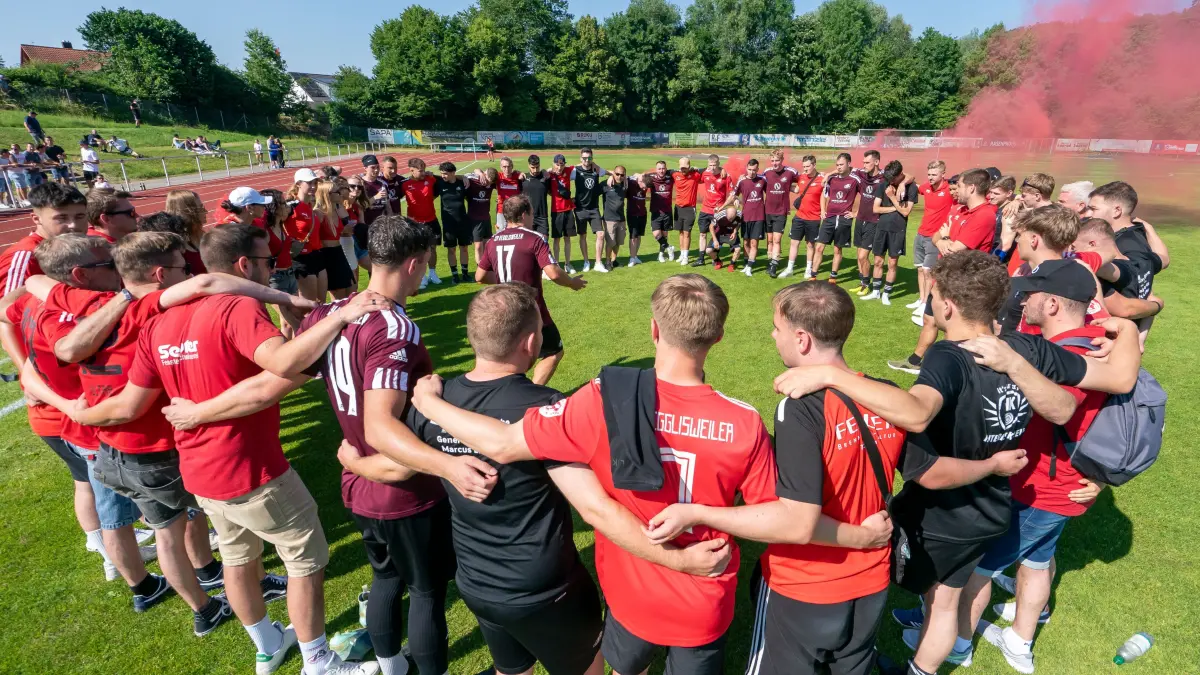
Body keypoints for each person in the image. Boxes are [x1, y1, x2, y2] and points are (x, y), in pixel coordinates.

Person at [773, 251, 1143, 675]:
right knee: (952, 598)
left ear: (946, 306)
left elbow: (917, 415)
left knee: (935, 599)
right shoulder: (1026, 347)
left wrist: (831, 375)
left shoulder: (948, 356)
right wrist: (1129, 329)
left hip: (944, 512)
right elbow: (1118, 379)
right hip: (992, 507)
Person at [411, 273, 778, 675]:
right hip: (704, 597)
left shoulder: (602, 398)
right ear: (718, 336)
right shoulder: (744, 423)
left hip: (630, 591)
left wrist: (430, 405)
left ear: (654, 329)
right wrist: (704, 517)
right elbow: (776, 518)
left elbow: (504, 443)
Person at [70, 223, 390, 674]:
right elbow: (282, 365)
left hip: (199, 469)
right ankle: (319, 661)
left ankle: (267, 646)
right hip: (251, 468)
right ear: (244, 265)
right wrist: (340, 317)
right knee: (305, 561)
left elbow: (130, 404)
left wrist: (78, 414)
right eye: (267, 262)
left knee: (238, 559)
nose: (271, 270)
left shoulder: (156, 324)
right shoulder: (237, 307)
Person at [159, 217, 473, 675]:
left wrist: (199, 412)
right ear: (415, 263)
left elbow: (270, 385)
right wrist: (449, 465)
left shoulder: (328, 316)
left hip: (357, 481)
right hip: (400, 484)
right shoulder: (394, 327)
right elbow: (381, 427)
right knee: (426, 591)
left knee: (386, 578)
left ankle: (392, 666)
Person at [22, 231, 311, 631]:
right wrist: (286, 299)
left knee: (156, 529)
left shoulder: (58, 306)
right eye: (182, 267)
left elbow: (34, 300)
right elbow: (206, 283)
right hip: (153, 446)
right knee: (195, 526)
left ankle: (198, 603)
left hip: (107, 447)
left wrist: (73, 409)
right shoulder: (142, 312)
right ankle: (229, 589)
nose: (189, 273)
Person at [645, 282, 903, 675]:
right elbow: (933, 473)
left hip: (805, 586)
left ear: (802, 340)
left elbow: (796, 522)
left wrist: (698, 513)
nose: (771, 334)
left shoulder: (800, 409)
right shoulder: (888, 396)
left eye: (777, 327)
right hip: (872, 582)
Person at [958, 259, 1110, 675]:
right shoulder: (1099, 340)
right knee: (1038, 563)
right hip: (1059, 484)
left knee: (979, 569)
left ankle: (956, 646)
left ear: (1054, 304)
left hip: (1042, 487)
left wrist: (1013, 364)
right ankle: (1019, 642)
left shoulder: (1077, 354)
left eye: (1032, 294)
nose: (1023, 301)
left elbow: (1061, 409)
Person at [5, 234, 163, 596]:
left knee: (115, 506)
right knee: (121, 514)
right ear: (80, 275)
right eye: (109, 264)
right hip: (96, 427)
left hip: (78, 423)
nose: (118, 270)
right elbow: (70, 349)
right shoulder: (75, 315)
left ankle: (142, 575)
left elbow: (8, 317)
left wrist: (36, 283)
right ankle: (143, 586)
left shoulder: (35, 302)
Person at [887, 169, 998, 376]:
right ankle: (914, 361)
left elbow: (955, 250)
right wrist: (943, 241)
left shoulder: (984, 215)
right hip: (943, 278)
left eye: (960, 186)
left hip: (961, 283)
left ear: (972, 188)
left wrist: (945, 240)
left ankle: (954, 370)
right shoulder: (960, 209)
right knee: (930, 320)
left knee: (954, 328)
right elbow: (936, 236)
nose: (955, 190)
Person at [478, 194, 586, 385]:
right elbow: (553, 273)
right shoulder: (534, 239)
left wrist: (504, 282)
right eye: (532, 213)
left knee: (511, 359)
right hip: (530, 309)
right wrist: (572, 283)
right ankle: (532, 391)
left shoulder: (493, 241)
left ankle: (508, 394)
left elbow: (480, 276)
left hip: (503, 309)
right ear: (524, 214)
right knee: (554, 352)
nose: (533, 217)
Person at [1072, 217, 1165, 343]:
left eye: (1073, 247)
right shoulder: (1143, 260)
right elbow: (1164, 258)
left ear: (1092, 244)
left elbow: (1125, 309)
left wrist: (1157, 306)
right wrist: (1149, 228)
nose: (1071, 251)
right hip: (1130, 343)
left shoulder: (1098, 276)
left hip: (1106, 344)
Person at [862, 160, 918, 306]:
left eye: (893, 179)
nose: (890, 182)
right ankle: (875, 292)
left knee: (892, 263)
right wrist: (895, 208)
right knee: (878, 261)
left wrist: (892, 197)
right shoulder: (883, 185)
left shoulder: (911, 188)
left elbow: (905, 212)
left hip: (898, 230)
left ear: (900, 175)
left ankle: (886, 294)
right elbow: (876, 209)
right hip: (881, 228)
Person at [912, 160, 954, 312]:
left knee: (928, 271)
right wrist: (904, 183)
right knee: (919, 269)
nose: (930, 177)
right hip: (921, 233)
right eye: (929, 174)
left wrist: (1015, 199)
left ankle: (926, 304)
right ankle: (921, 299)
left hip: (935, 237)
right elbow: (915, 185)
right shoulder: (926, 187)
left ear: (943, 174)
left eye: (934, 174)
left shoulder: (950, 189)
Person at [816, 153, 862, 284]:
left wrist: (856, 213)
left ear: (849, 164)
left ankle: (833, 277)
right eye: (837, 165)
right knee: (819, 247)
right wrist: (823, 210)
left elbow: (866, 197)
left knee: (837, 249)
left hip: (844, 219)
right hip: (829, 218)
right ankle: (813, 275)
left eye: (841, 164)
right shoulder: (832, 179)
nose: (839, 167)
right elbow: (824, 195)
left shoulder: (855, 179)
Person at [400, 158, 442, 290]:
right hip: (415, 223)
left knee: (433, 249)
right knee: (418, 251)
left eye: (424, 170)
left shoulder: (431, 179)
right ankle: (421, 276)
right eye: (420, 171)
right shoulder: (405, 184)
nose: (423, 173)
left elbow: (445, 179)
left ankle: (433, 274)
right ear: (411, 170)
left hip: (431, 220)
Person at [286, 168, 325, 307]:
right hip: (301, 259)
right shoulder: (290, 207)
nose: (313, 186)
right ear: (298, 184)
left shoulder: (311, 206)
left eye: (315, 183)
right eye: (309, 183)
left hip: (317, 255)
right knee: (310, 307)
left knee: (322, 303)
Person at [850, 150, 885, 295]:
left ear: (876, 162)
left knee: (863, 256)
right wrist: (828, 175)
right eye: (863, 162)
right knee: (859, 254)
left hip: (873, 221)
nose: (864, 165)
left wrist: (902, 185)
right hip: (860, 219)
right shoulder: (861, 173)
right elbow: (846, 168)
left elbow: (907, 176)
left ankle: (867, 285)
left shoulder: (884, 177)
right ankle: (862, 283)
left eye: (867, 162)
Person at [313, 179, 355, 300]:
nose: (340, 193)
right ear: (327, 195)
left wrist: (344, 230)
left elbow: (339, 229)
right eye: (337, 192)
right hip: (328, 255)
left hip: (339, 251)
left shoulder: (336, 209)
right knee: (338, 295)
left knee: (351, 290)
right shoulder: (319, 213)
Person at [569, 148, 607, 273]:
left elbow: (610, 173)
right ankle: (586, 261)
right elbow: (560, 174)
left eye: (589, 158)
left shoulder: (596, 169)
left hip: (594, 208)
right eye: (584, 158)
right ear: (581, 159)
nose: (587, 160)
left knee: (600, 234)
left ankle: (598, 263)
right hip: (580, 209)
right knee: (583, 235)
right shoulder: (575, 170)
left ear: (592, 158)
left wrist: (616, 176)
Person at [434, 161, 473, 282]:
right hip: (448, 223)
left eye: (445, 173)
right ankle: (455, 275)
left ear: (453, 173)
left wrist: (463, 177)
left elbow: (469, 198)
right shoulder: (440, 183)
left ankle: (465, 274)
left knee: (464, 248)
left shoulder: (462, 183)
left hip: (463, 222)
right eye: (441, 173)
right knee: (451, 249)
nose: (443, 176)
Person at [762, 149, 799, 278]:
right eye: (772, 160)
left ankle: (774, 266)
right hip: (767, 210)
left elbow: (803, 180)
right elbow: (757, 180)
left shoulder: (790, 172)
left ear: (782, 160)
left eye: (777, 160)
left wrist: (793, 188)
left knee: (777, 240)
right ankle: (771, 262)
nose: (774, 163)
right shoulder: (767, 172)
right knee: (770, 240)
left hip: (781, 212)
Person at [695, 154, 735, 267]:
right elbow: (697, 178)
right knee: (702, 234)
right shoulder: (705, 173)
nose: (712, 168)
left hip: (718, 211)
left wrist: (723, 206)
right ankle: (701, 258)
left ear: (718, 164)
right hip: (705, 209)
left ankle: (715, 257)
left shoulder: (725, 176)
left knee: (717, 235)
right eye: (710, 165)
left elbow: (732, 194)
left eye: (714, 165)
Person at [734, 159, 769, 276]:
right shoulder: (742, 181)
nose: (752, 172)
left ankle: (749, 267)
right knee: (746, 242)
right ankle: (746, 264)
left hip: (759, 217)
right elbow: (734, 194)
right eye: (749, 169)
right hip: (746, 216)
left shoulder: (762, 180)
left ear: (757, 169)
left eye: (754, 170)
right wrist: (736, 200)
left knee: (754, 243)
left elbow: (770, 193)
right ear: (746, 168)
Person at [162, 189, 210, 274]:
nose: (206, 211)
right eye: (201, 208)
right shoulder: (177, 249)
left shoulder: (203, 236)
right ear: (188, 213)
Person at [547, 154, 580, 272]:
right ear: (553, 163)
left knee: (567, 238)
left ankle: (568, 264)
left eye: (562, 164)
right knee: (557, 239)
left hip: (568, 210)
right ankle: (556, 264)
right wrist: (547, 170)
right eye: (557, 164)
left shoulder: (568, 170)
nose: (559, 167)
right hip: (556, 211)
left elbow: (581, 165)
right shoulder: (549, 175)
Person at [466, 167, 499, 274]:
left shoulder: (492, 183)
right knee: (478, 246)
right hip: (474, 219)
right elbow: (463, 176)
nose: (488, 184)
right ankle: (479, 269)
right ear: (484, 174)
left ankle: (486, 266)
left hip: (486, 218)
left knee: (487, 244)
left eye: (490, 183)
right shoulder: (473, 180)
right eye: (487, 181)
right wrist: (478, 172)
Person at [671, 157, 703, 266]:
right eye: (681, 168)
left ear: (689, 166)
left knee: (687, 233)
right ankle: (682, 254)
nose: (683, 170)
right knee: (680, 232)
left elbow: (708, 169)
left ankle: (686, 256)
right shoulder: (675, 174)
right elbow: (667, 171)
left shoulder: (695, 175)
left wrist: (696, 169)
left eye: (685, 168)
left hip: (689, 208)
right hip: (678, 208)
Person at [646, 160, 676, 263]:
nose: (661, 170)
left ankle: (661, 255)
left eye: (663, 168)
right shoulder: (651, 178)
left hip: (667, 211)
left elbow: (680, 173)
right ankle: (669, 248)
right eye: (659, 168)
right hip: (656, 211)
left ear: (666, 169)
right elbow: (639, 177)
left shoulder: (670, 177)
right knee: (656, 234)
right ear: (656, 169)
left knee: (664, 235)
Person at [599, 165, 629, 271]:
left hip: (621, 218)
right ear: (613, 173)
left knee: (618, 241)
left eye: (622, 175)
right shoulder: (605, 184)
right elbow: (592, 194)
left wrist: (626, 179)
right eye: (617, 174)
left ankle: (614, 260)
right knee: (610, 242)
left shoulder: (625, 184)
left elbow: (638, 176)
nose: (619, 177)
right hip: (609, 219)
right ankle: (607, 261)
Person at [521, 154, 554, 240]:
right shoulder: (523, 179)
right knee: (528, 244)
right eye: (533, 167)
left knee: (544, 242)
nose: (535, 170)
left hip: (542, 217)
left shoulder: (546, 178)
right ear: (528, 165)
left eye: (537, 167)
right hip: (528, 216)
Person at [704, 205, 744, 272]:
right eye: (729, 219)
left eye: (732, 219)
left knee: (738, 249)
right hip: (720, 233)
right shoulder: (718, 216)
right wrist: (715, 240)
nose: (730, 220)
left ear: (736, 214)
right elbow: (711, 227)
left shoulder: (740, 214)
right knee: (708, 251)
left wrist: (734, 232)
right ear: (726, 213)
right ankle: (718, 261)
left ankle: (732, 264)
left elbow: (739, 224)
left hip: (731, 234)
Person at [624, 172, 650, 266]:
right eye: (644, 187)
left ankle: (635, 256)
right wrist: (636, 175)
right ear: (640, 181)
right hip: (632, 214)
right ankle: (632, 258)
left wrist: (639, 174)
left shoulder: (645, 181)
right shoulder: (631, 182)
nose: (644, 189)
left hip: (642, 213)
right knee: (633, 236)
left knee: (639, 236)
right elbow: (625, 177)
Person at [493, 156, 524, 230]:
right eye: (504, 167)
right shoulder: (498, 177)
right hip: (501, 211)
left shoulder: (517, 176)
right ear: (501, 167)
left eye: (509, 166)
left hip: (515, 211)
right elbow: (485, 173)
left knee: (516, 233)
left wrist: (520, 173)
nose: (507, 169)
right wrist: (479, 172)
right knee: (501, 232)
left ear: (512, 166)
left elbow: (522, 176)